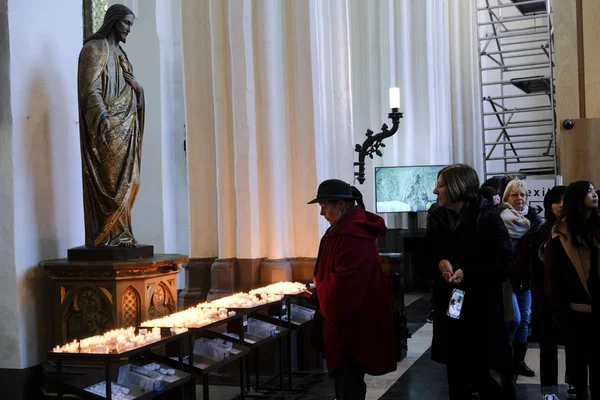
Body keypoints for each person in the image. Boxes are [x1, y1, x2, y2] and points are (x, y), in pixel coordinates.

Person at [426, 164, 514, 400]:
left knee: (479, 373)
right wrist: (441, 261)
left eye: (440, 185)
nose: (436, 191)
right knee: (455, 373)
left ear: (457, 187)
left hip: (481, 310)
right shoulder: (436, 215)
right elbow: (429, 253)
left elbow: (506, 264)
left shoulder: (488, 218)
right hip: (450, 304)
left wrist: (469, 272)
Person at [308, 179, 396, 400]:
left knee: (350, 386)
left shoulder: (353, 235)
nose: (322, 214)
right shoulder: (342, 230)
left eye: (324, 207)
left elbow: (346, 289)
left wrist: (321, 293)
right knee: (346, 385)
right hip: (344, 325)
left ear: (341, 205)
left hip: (350, 328)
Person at [78, 4, 145, 247]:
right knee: (109, 182)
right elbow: (90, 89)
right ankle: (106, 237)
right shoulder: (94, 49)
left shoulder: (122, 56)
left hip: (127, 129)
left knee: (132, 181)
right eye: (126, 23)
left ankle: (123, 235)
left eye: (131, 24)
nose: (128, 29)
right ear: (114, 21)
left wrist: (138, 91)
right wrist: (103, 117)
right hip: (106, 131)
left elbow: (132, 92)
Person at [545, 181, 600, 400]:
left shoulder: (597, 227)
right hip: (575, 311)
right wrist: (560, 313)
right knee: (577, 363)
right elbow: (553, 277)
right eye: (589, 191)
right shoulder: (560, 234)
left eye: (594, 190)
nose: (594, 194)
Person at [530, 185, 574, 400]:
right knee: (548, 346)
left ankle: (573, 381)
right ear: (548, 206)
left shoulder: (577, 229)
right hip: (546, 297)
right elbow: (536, 265)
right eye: (556, 201)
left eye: (565, 200)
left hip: (571, 297)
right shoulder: (542, 231)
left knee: (574, 343)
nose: (561, 205)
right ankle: (549, 390)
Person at [499, 179, 542, 377]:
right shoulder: (500, 218)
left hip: (525, 277)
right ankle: (501, 356)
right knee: (513, 319)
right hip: (506, 277)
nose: (520, 198)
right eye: (515, 195)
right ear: (506, 198)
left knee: (524, 320)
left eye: (523, 195)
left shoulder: (533, 221)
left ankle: (518, 360)